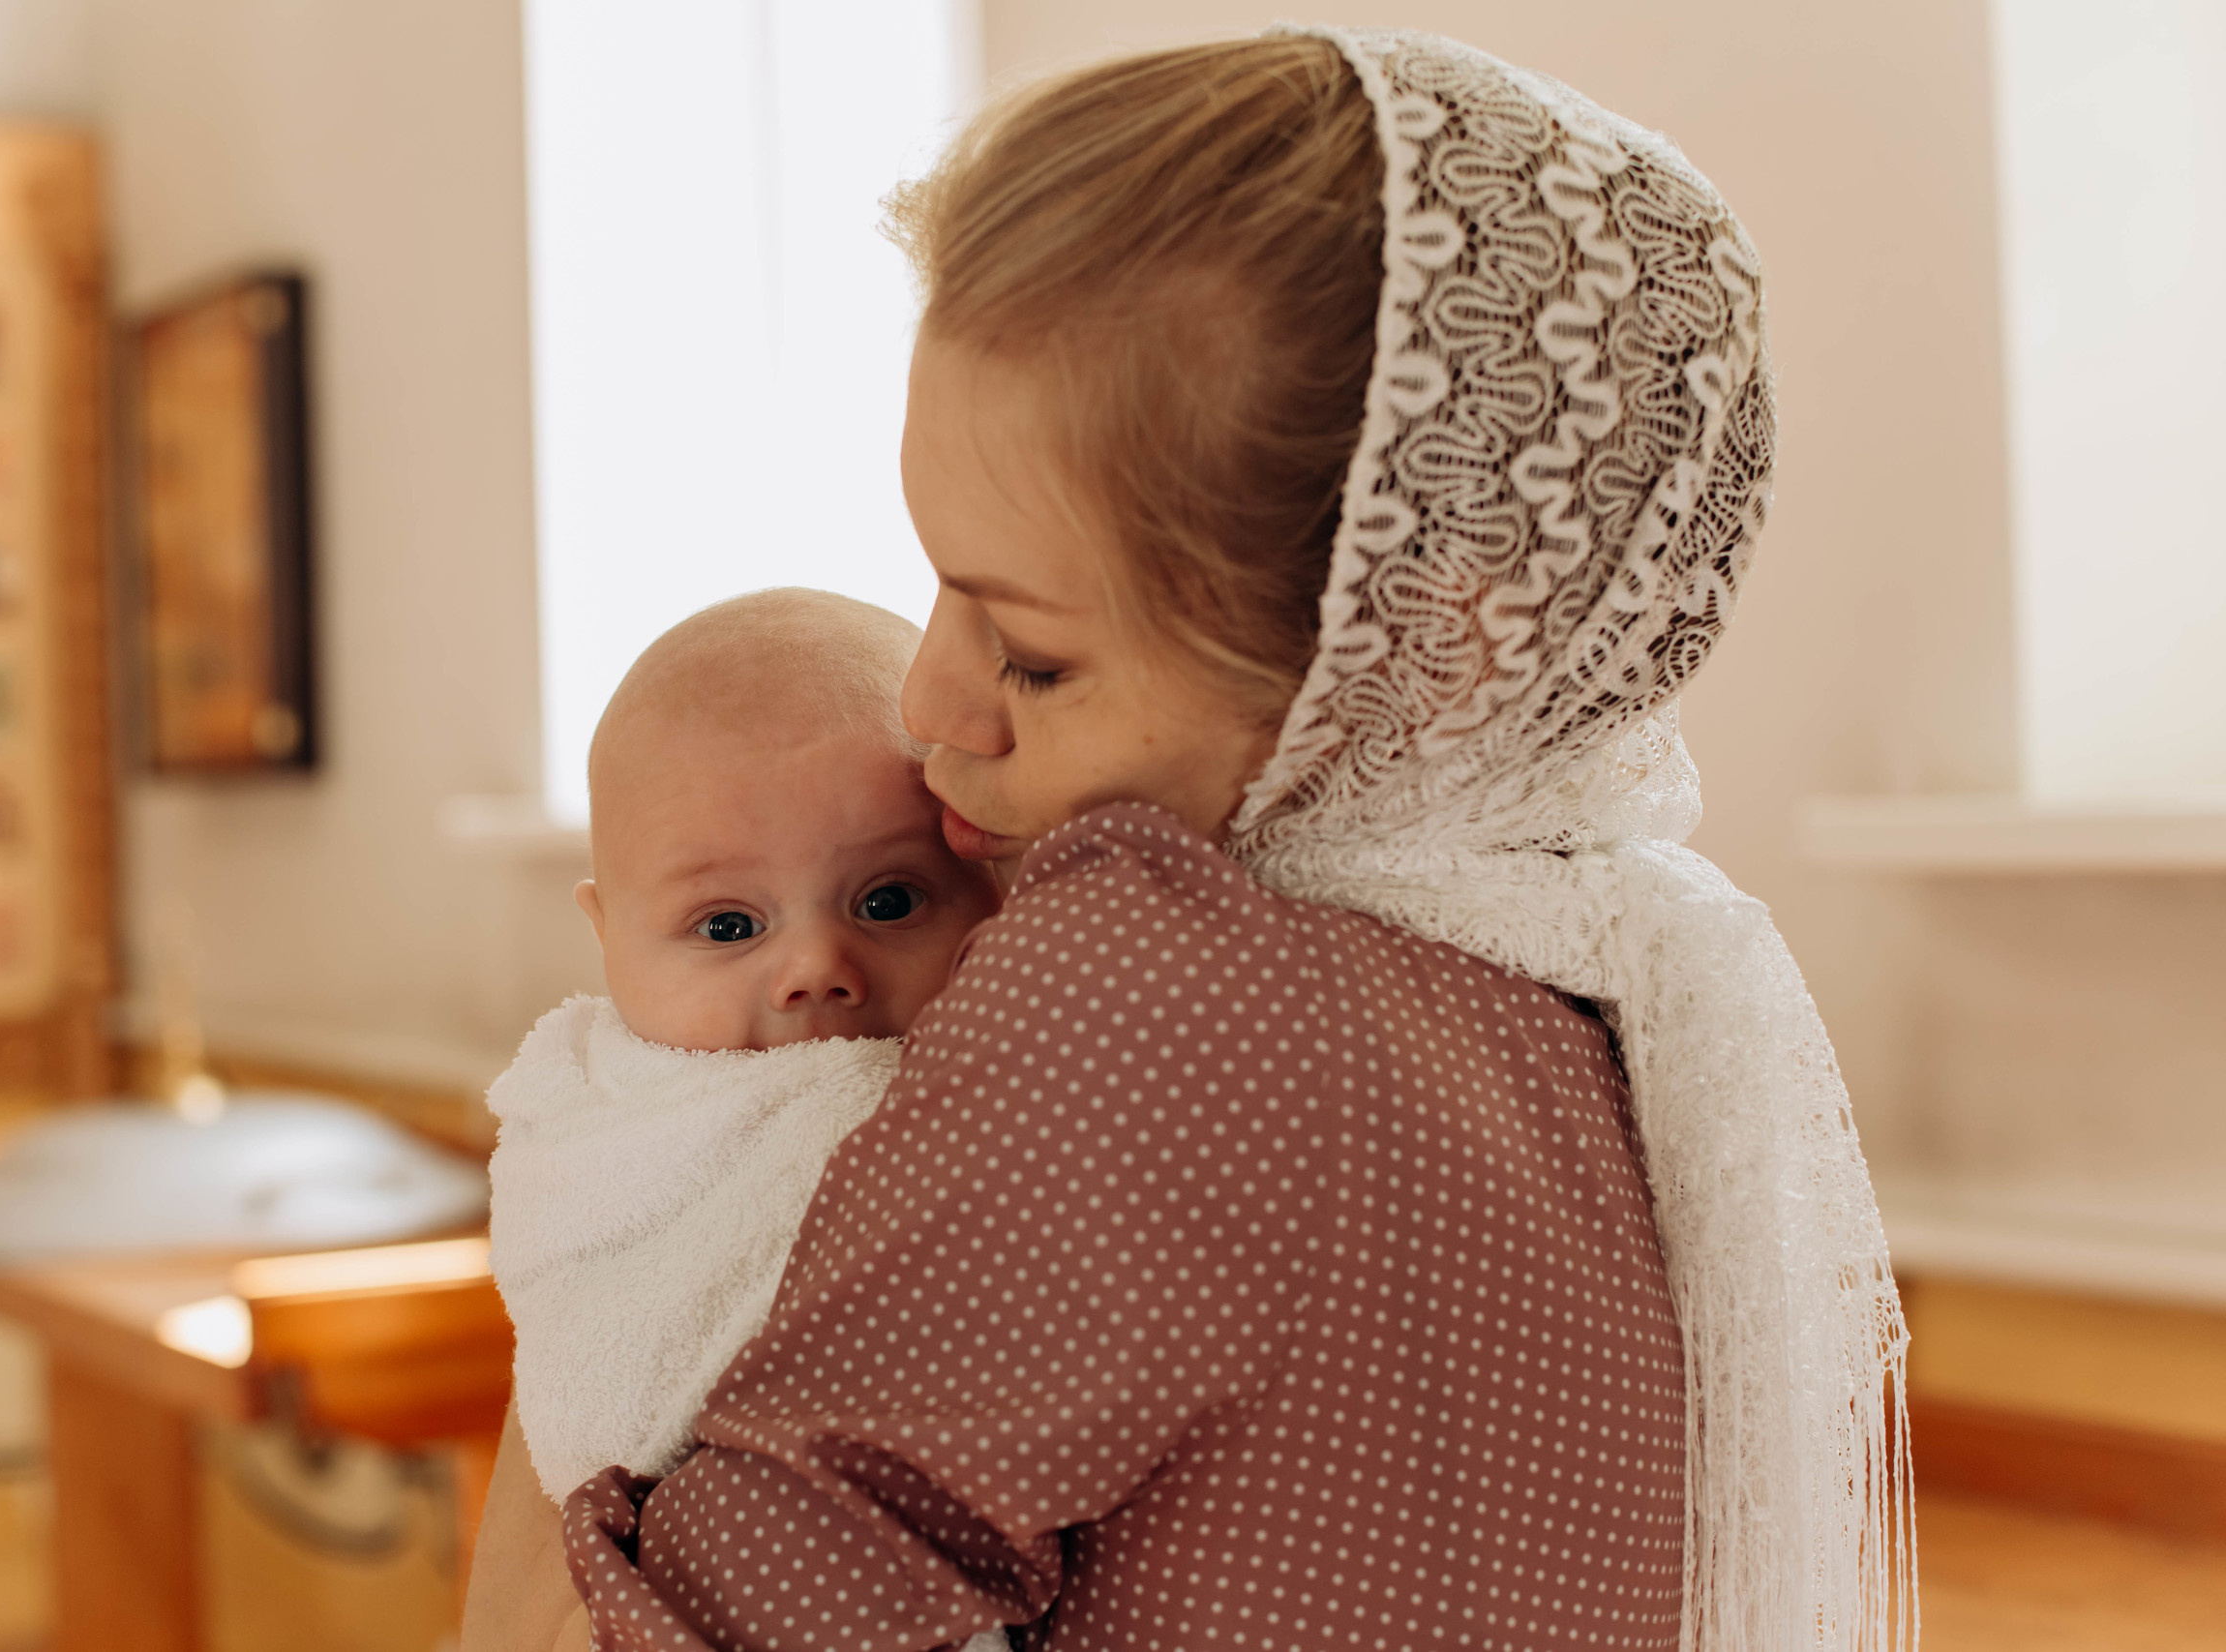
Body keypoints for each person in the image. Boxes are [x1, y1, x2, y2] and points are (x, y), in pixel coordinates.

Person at [482, 25, 1910, 1652]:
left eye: (1032, 653)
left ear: (1439, 644)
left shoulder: (1155, 976)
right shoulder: (1640, 1002)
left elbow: (708, 1614)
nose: (929, 700)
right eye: (935, 582)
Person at [462, 590, 1000, 1652]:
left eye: (888, 901)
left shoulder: (996, 1085)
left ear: (994, 889)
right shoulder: (600, 1122)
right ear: (608, 938)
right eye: (727, 924)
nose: (813, 969)